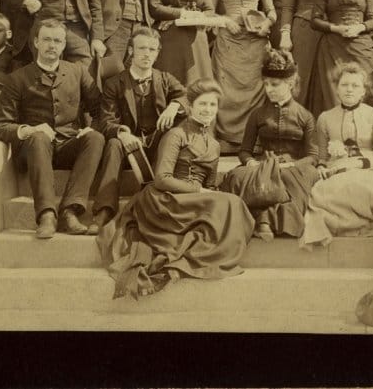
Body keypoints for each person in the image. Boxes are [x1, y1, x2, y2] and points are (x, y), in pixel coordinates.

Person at [98, 78, 255, 299]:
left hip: (191, 199)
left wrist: (217, 189)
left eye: (212, 105)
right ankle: (205, 257)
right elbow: (162, 179)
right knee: (232, 203)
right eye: (202, 104)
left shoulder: (215, 145)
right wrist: (200, 191)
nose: (207, 109)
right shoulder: (176, 135)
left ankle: (210, 254)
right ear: (191, 107)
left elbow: (210, 185)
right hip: (165, 199)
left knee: (230, 202)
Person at [0, 19, 104, 239]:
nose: (52, 45)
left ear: (64, 45)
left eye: (57, 41)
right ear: (36, 42)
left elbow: (100, 109)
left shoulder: (78, 72)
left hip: (68, 145)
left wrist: (91, 128)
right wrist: (29, 130)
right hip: (33, 151)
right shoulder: (18, 78)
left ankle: (70, 211)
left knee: (96, 138)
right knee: (40, 137)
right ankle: (46, 214)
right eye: (47, 40)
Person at [87, 26, 190, 236]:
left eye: (152, 49)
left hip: (157, 147)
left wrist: (174, 105)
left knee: (173, 136)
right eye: (142, 48)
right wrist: (122, 133)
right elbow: (106, 121)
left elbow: (186, 96)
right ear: (131, 51)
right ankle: (104, 210)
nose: (147, 54)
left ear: (157, 53)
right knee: (114, 143)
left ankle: (162, 210)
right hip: (127, 149)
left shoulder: (165, 79)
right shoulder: (115, 83)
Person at [221, 49, 320, 241]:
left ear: (290, 83)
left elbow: (313, 156)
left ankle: (265, 219)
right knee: (237, 177)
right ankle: (261, 220)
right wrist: (250, 162)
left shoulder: (305, 116)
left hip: (293, 167)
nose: (269, 89)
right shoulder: (257, 114)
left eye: (274, 84)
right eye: (266, 84)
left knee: (298, 177)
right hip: (263, 164)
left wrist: (291, 164)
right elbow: (245, 151)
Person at [300, 62, 373, 247]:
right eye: (344, 85)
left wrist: (358, 163)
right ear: (337, 88)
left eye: (355, 85)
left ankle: (363, 228)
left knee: (372, 188)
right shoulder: (325, 118)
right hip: (337, 169)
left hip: (370, 169)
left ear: (363, 91)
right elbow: (322, 157)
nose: (349, 89)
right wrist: (321, 166)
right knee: (320, 192)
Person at [210, 0, 278, 149]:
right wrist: (224, 20)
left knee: (255, 88)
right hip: (229, 41)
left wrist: (266, 24)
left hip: (255, 42)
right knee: (226, 89)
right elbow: (208, 11)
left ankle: (252, 140)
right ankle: (227, 139)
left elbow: (272, 12)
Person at [310, 0, 373, 114]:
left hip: (360, 44)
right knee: (334, 91)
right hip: (333, 46)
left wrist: (360, 27)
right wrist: (336, 28)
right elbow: (315, 21)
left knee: (366, 85)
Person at [277, 0, 337, 108]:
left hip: (327, 33)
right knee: (300, 77)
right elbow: (287, 7)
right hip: (303, 31)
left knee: (324, 79)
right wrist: (285, 34)